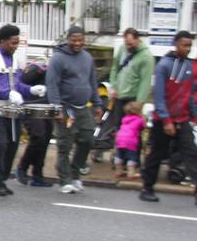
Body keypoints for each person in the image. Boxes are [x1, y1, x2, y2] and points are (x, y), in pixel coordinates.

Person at [0, 25, 42, 197]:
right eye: (13, 43)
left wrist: (31, 90)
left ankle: (2, 179)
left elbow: (18, 84)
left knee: (12, 145)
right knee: (0, 143)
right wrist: (7, 93)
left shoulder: (13, 59)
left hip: (12, 109)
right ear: (4, 41)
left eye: (17, 43)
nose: (15, 46)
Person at [139, 31, 197, 203]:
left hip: (182, 118)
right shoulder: (164, 65)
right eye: (184, 45)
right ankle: (146, 188)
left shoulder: (188, 66)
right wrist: (166, 120)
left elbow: (189, 95)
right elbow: (158, 96)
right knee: (157, 154)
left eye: (189, 46)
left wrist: (194, 115)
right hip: (163, 120)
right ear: (176, 44)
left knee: (191, 154)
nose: (187, 49)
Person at [46, 25, 102, 194]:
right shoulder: (58, 59)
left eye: (80, 40)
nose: (77, 43)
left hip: (83, 107)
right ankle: (65, 179)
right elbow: (52, 84)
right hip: (65, 107)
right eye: (74, 40)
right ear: (68, 39)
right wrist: (56, 108)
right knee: (65, 144)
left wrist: (97, 103)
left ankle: (75, 173)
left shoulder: (87, 58)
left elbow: (92, 81)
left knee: (87, 140)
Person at [15, 63, 54, 188]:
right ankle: (22, 167)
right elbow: (21, 81)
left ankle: (37, 175)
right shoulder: (39, 68)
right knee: (38, 136)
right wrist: (37, 72)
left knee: (45, 140)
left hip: (49, 108)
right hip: (31, 107)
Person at [108, 28, 154, 132]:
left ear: (137, 40)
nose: (128, 47)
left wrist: (140, 102)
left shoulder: (146, 57)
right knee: (118, 127)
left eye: (130, 44)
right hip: (119, 96)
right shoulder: (122, 49)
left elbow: (145, 81)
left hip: (132, 99)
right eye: (126, 43)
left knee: (133, 130)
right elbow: (115, 68)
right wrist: (113, 86)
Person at [113, 100, 145, 180]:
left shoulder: (124, 119)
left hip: (120, 138)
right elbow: (142, 128)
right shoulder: (139, 119)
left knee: (119, 155)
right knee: (132, 157)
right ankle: (131, 173)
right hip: (130, 140)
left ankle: (118, 171)